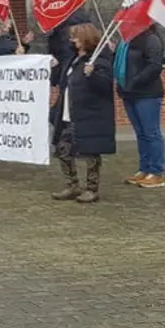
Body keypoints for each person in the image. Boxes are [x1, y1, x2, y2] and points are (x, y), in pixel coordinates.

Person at [52, 23, 116, 203]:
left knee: (90, 152)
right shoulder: (74, 59)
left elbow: (105, 86)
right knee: (63, 149)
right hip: (70, 113)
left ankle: (92, 189)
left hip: (89, 115)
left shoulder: (99, 61)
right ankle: (72, 185)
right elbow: (63, 81)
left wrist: (92, 74)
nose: (72, 40)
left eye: (76, 37)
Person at [116, 23, 165, 188]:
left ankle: (157, 172)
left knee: (151, 132)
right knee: (141, 133)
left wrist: (135, 81)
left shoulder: (151, 40)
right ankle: (144, 169)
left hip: (147, 94)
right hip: (129, 92)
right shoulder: (126, 42)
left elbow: (155, 66)